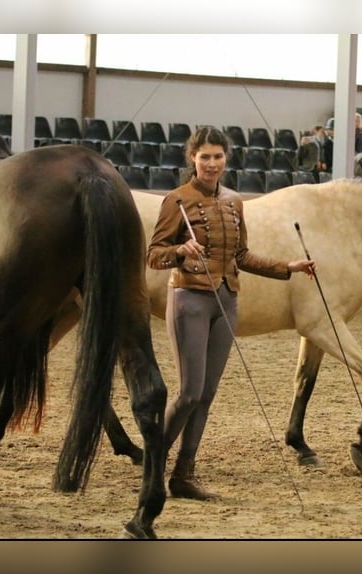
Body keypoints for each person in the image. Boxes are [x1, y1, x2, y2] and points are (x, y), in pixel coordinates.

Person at [146, 125, 316, 501]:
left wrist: (288, 266)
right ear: (193, 158)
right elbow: (154, 254)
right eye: (204, 156)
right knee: (189, 392)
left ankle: (182, 476)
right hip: (189, 299)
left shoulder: (234, 202)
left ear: (226, 158)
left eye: (217, 156)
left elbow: (241, 256)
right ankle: (152, 466)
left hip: (226, 301)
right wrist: (179, 252)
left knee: (206, 395)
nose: (211, 163)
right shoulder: (176, 200)